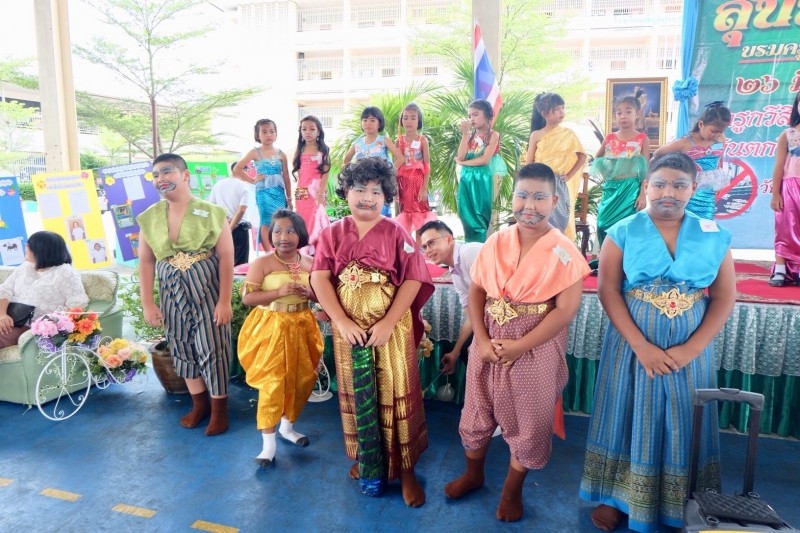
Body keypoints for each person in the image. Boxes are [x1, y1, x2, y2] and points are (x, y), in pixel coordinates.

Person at [578, 153, 736, 533]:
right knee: (625, 413)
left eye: (679, 185)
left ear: (693, 189)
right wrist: (641, 346)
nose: (669, 192)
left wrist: (691, 349)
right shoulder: (623, 231)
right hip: (632, 347)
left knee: (684, 419)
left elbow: (724, 296)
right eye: (660, 184)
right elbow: (608, 290)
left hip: (690, 352)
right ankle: (615, 497)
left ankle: (685, 500)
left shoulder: (713, 234)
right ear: (646, 186)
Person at [445, 163, 589, 522]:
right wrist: (480, 339)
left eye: (540, 197)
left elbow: (565, 311)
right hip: (488, 342)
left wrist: (521, 346)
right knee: (476, 410)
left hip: (535, 350)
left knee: (530, 421)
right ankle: (474, 475)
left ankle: (512, 491)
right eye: (522, 195)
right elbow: (477, 291)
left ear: (554, 201)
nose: (530, 205)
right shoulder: (497, 240)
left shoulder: (565, 251)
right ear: (513, 198)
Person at [310, 157, 434, 507]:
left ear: (387, 196)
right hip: (349, 334)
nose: (367, 197)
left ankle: (407, 470)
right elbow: (320, 277)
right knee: (358, 394)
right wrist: (341, 322)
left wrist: (388, 322)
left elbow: (413, 278)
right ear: (346, 192)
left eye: (376, 191)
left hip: (389, 332)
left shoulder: (396, 232)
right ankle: (370, 459)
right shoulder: (332, 233)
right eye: (359, 189)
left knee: (396, 392)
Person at [137, 153, 235, 437]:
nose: (161, 179)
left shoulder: (213, 212)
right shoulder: (149, 217)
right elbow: (146, 261)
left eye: (167, 172)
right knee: (181, 347)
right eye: (155, 175)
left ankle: (219, 410)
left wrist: (224, 301)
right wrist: (148, 302)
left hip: (207, 289)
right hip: (171, 292)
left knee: (212, 346)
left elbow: (226, 257)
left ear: (185, 175)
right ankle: (199, 405)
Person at [238, 209, 323, 467]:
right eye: (277, 231)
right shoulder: (262, 263)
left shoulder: (311, 262)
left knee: (302, 379)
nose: (283, 237)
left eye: (290, 231)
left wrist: (310, 293)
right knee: (272, 383)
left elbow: (322, 295)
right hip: (271, 327)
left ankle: (288, 428)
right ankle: (268, 445)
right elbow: (248, 298)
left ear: (300, 234)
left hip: (303, 325)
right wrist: (279, 292)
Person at [0, 231, 89, 348]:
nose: (26, 246)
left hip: (31, 327)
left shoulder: (64, 272)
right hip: (8, 318)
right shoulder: (25, 266)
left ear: (42, 250)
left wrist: (49, 325)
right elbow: (4, 290)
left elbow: (77, 304)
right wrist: (2, 315)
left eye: (29, 245)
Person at [418, 220, 482, 374]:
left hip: (509, 315)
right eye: (424, 247)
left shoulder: (470, 253)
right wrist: (455, 352)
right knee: (466, 349)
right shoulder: (455, 272)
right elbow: (472, 314)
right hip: (489, 318)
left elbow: (494, 299)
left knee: (475, 353)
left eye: (431, 243)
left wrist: (481, 341)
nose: (427, 251)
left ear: (448, 239)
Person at [653, 101, 732, 220]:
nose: (716, 135)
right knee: (686, 222)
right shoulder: (685, 142)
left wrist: (718, 184)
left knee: (706, 222)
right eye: (713, 131)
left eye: (720, 131)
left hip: (708, 193)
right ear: (701, 124)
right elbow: (657, 153)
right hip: (688, 192)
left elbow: (719, 159)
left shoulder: (721, 138)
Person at [526, 92, 587, 241]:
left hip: (559, 185)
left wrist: (569, 175)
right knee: (540, 218)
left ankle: (560, 248)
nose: (561, 112)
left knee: (561, 219)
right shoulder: (536, 135)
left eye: (562, 108)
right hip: (540, 183)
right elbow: (529, 163)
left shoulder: (568, 134)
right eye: (556, 109)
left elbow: (582, 156)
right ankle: (541, 247)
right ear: (545, 114)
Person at [591, 95, 650, 249]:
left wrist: (642, 193)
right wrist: (606, 173)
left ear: (637, 114)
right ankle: (607, 257)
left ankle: (625, 259)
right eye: (619, 112)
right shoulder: (610, 138)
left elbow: (645, 168)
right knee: (603, 224)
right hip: (610, 188)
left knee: (628, 227)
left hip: (631, 189)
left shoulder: (642, 139)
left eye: (628, 112)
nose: (623, 116)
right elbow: (597, 159)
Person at [233, 119, 293, 247]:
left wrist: (289, 198)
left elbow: (286, 177)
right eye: (264, 132)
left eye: (271, 131)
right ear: (258, 134)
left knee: (280, 221)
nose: (268, 135)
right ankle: (267, 252)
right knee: (266, 221)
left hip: (279, 193)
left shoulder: (281, 154)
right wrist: (252, 180)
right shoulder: (255, 152)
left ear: (276, 134)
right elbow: (237, 169)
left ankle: (279, 248)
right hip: (263, 193)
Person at [455, 99, 508, 243]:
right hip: (466, 177)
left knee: (480, 214)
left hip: (483, 178)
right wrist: (465, 135)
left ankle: (481, 246)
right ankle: (470, 245)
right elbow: (461, 156)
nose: (471, 119)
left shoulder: (493, 135)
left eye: (475, 114)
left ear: (488, 115)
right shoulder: (470, 136)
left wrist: (463, 163)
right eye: (469, 116)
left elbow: (484, 160)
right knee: (465, 213)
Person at [343, 106, 403, 217]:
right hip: (362, 184)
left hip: (379, 184)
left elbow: (400, 158)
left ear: (379, 123)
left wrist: (388, 174)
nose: (368, 123)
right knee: (364, 212)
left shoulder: (383, 140)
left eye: (372, 120)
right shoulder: (358, 142)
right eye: (365, 120)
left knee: (380, 213)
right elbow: (346, 160)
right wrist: (352, 176)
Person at [768, 91, 800, 287]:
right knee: (784, 227)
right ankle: (780, 269)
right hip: (790, 186)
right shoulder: (787, 134)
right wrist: (776, 193)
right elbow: (779, 166)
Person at [396, 102, 436, 240]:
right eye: (405, 118)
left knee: (420, 215)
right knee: (406, 216)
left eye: (413, 118)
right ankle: (407, 247)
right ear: (401, 121)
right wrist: (395, 187)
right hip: (404, 184)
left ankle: (420, 247)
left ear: (418, 121)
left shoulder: (422, 140)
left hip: (418, 182)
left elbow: (427, 165)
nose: (409, 121)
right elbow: (395, 166)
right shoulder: (398, 141)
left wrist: (424, 188)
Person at [291, 115, 331, 254]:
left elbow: (326, 173)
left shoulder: (323, 150)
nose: (307, 132)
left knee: (317, 216)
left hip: (316, 190)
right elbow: (299, 170)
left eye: (312, 129)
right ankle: (304, 247)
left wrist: (321, 192)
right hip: (301, 189)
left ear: (318, 132)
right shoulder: (299, 149)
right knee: (302, 215)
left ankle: (317, 248)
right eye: (304, 129)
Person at [209, 162, 251, 266]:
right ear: (243, 170)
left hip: (222, 228)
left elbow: (212, 207)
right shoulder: (244, 186)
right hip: (239, 229)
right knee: (240, 264)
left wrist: (225, 223)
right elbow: (242, 210)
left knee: (224, 261)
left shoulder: (218, 185)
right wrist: (231, 227)